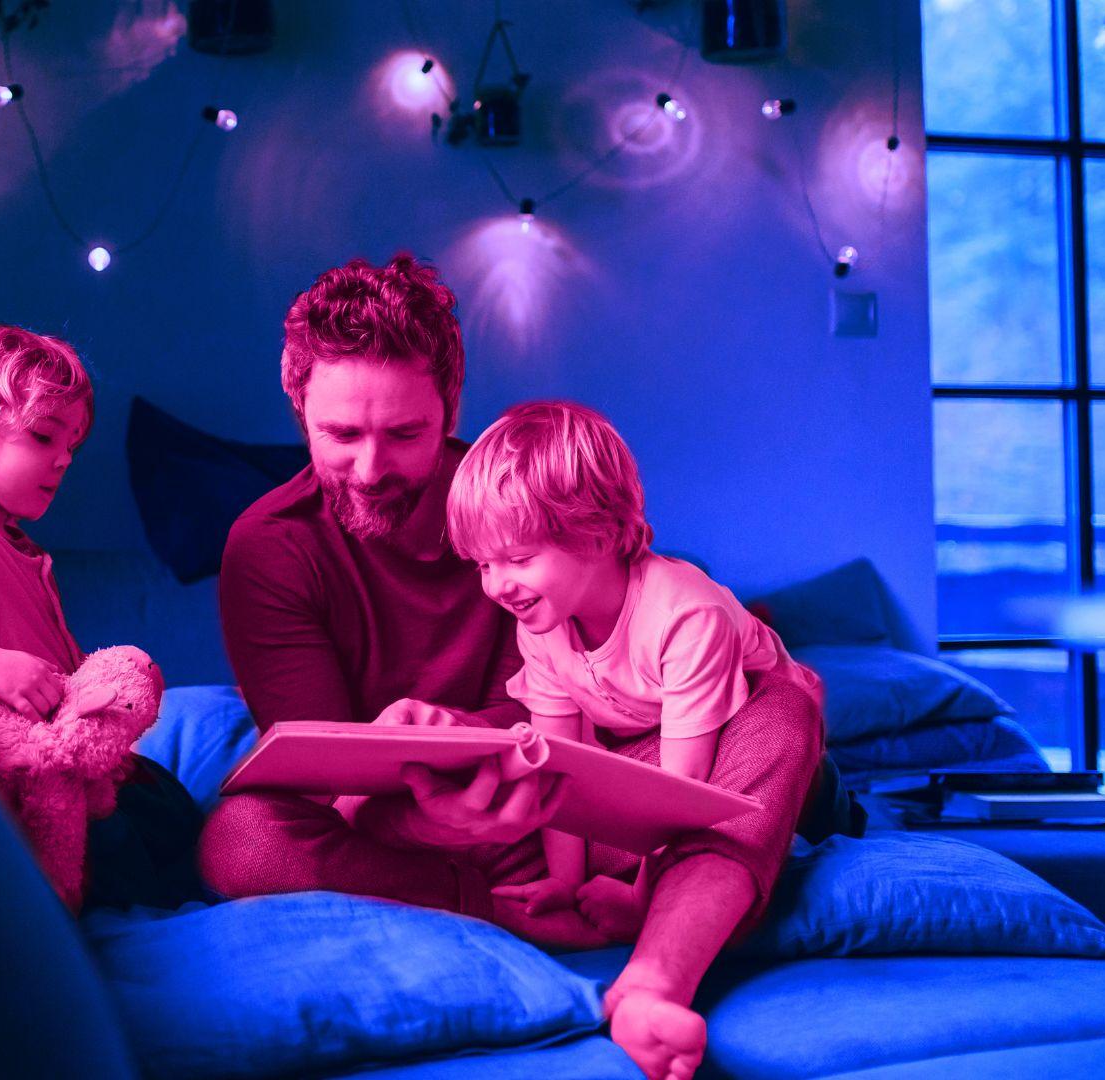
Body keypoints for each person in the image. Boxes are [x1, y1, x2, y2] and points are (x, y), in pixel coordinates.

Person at [200, 258, 836, 1080]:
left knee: (781, 710)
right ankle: (536, 919)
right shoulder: (270, 547)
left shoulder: (520, 502)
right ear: (299, 412)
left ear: (450, 412)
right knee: (241, 837)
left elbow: (589, 701)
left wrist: (474, 745)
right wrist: (437, 819)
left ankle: (653, 972)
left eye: (405, 434)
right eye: (340, 436)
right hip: (411, 837)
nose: (370, 468)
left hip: (581, 799)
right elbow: (327, 783)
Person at [447, 399, 826, 1080]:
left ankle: (652, 980)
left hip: (759, 767)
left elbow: (680, 797)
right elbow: (561, 762)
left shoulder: (685, 614)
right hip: (657, 757)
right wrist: (567, 880)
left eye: (518, 559)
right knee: (516, 771)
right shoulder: (540, 622)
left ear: (595, 536)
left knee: (787, 707)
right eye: (482, 564)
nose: (497, 585)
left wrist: (636, 895)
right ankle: (616, 904)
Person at [0, 322, 204, 911]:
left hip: (72, 765)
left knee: (175, 809)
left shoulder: (5, 537)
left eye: (71, 446)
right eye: (44, 436)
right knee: (162, 843)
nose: (62, 461)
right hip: (32, 791)